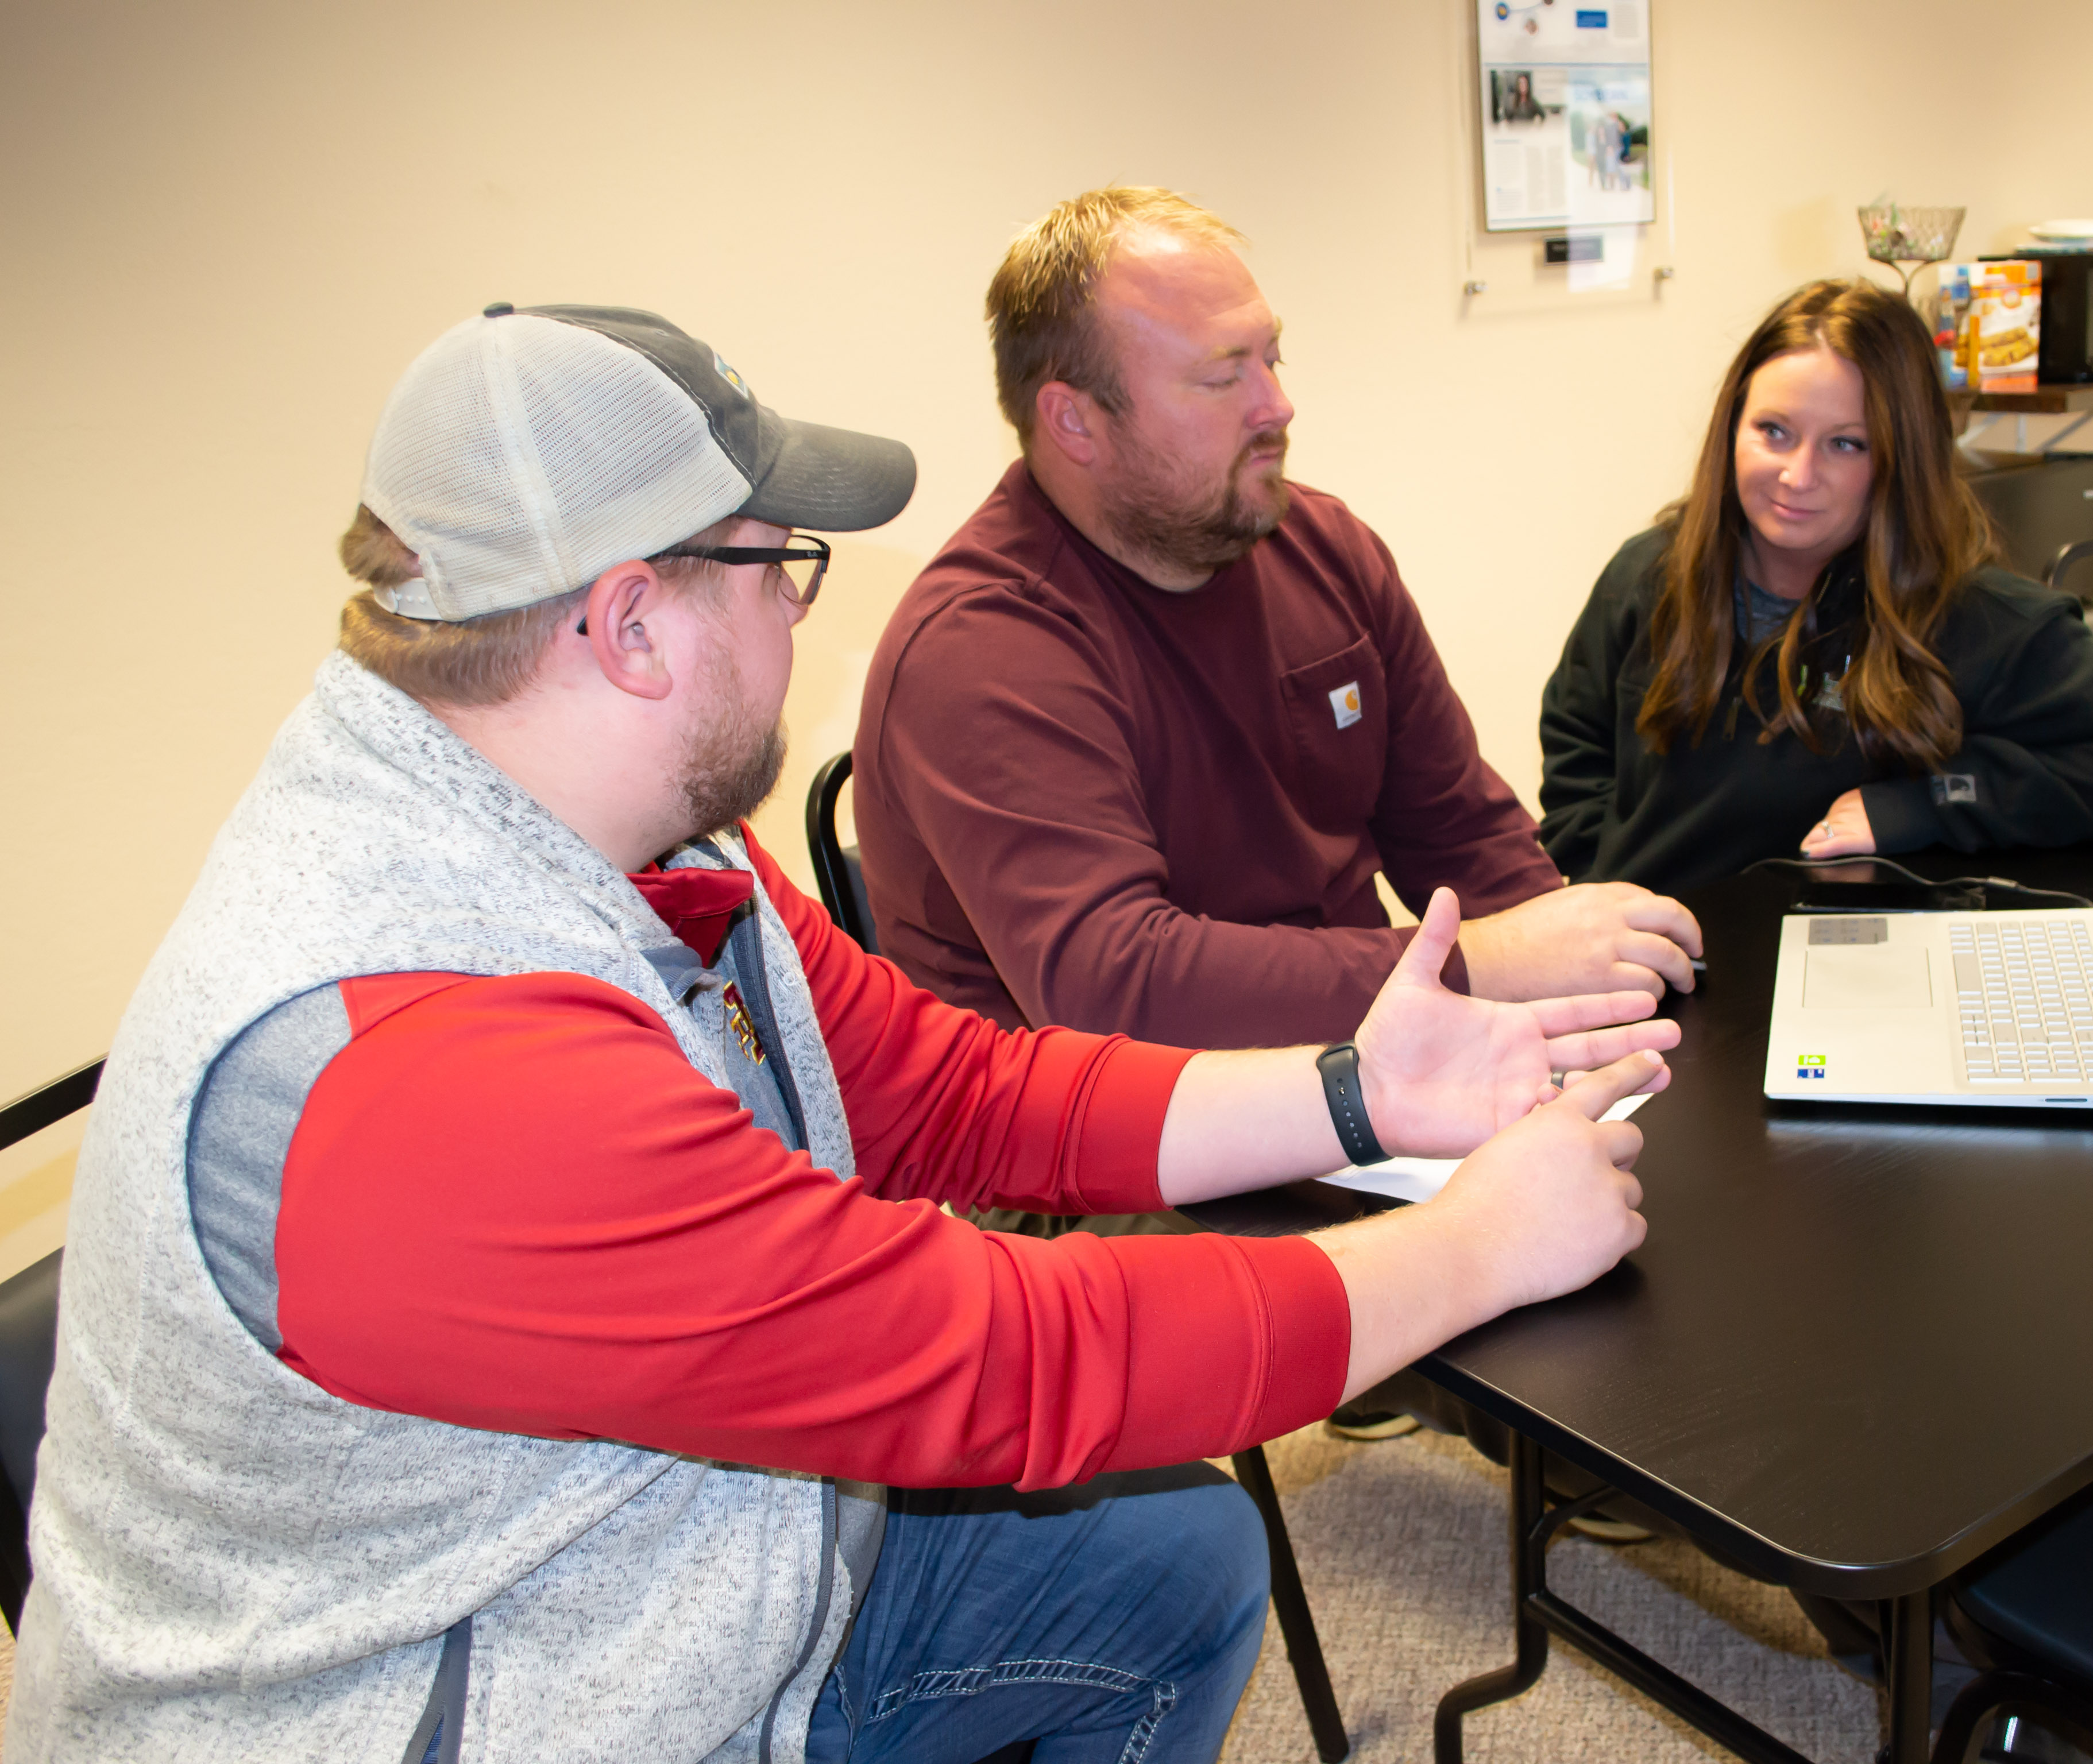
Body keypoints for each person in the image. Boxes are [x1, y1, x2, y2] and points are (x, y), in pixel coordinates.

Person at [13, 302, 1677, 1764]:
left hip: (657, 1534)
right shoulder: (430, 1068)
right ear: (628, 625)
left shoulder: (639, 831)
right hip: (482, 1694)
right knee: (1102, 1473)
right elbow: (1000, 1360)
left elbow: (956, 1093)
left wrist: (1353, 1095)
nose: (803, 613)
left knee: (1166, 1558)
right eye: (775, 561)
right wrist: (1468, 1256)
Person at [852, 185, 1702, 1059]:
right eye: (1224, 377)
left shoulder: (1323, 547)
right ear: (1075, 421)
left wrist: (1587, 984)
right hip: (1096, 1150)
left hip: (1347, 1070)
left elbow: (1459, 832)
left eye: (1273, 358)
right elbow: (1118, 991)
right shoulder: (982, 648)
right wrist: (1481, 966)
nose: (1276, 407)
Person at [1539, 278, 2093, 895]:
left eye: (1846, 445)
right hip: (1644, 969)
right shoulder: (1647, 575)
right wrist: (1603, 881)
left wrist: (1926, 804)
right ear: (1732, 429)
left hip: (1831, 974)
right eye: (1774, 432)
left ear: (1901, 461)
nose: (1798, 475)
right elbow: (1576, 742)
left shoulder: (1979, 621)